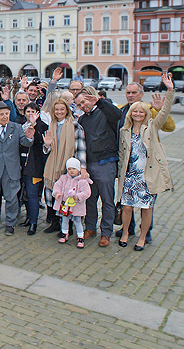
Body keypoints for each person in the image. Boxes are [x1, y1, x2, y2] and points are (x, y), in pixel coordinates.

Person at [117, 72, 175, 251]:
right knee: (126, 208)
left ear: (146, 113)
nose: (138, 113)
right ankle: (126, 233)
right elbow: (121, 154)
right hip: (130, 176)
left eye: (141, 111)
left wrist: (170, 90)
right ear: (130, 113)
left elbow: (165, 115)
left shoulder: (151, 127)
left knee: (146, 208)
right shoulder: (125, 130)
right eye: (135, 111)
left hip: (147, 176)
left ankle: (143, 237)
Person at [75, 87, 122, 247]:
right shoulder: (82, 120)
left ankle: (106, 232)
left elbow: (118, 116)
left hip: (106, 162)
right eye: (79, 104)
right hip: (89, 165)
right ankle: (90, 227)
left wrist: (100, 102)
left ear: (91, 98)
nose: (82, 106)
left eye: (84, 102)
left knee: (107, 200)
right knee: (89, 198)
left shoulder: (105, 110)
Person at [0, 101, 35, 235]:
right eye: (2, 114)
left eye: (7, 114)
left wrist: (30, 137)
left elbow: (25, 143)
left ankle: (10, 224)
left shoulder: (16, 128)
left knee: (11, 198)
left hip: (11, 170)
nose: (5, 116)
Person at [42, 98, 87, 235]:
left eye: (62, 109)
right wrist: (47, 145)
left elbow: (80, 147)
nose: (59, 112)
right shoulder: (51, 125)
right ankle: (55, 222)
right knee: (54, 192)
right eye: (57, 109)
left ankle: (69, 226)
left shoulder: (75, 126)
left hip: (69, 167)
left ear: (67, 110)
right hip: (53, 165)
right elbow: (46, 150)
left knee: (68, 195)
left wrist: (82, 167)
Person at [20, 102, 49, 235]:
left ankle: (34, 223)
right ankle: (28, 217)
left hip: (35, 166)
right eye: (28, 112)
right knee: (25, 194)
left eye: (33, 111)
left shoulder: (43, 126)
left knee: (32, 195)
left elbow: (39, 141)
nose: (30, 114)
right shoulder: (21, 126)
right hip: (21, 164)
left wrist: (34, 125)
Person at [53, 158, 91, 248]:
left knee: (78, 221)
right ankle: (64, 233)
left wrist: (78, 196)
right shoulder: (64, 178)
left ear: (78, 169)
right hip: (65, 205)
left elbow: (87, 192)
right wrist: (56, 193)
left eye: (74, 169)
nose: (71, 171)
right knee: (64, 219)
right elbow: (57, 185)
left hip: (76, 205)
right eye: (69, 169)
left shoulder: (82, 181)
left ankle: (80, 237)